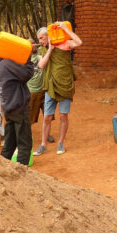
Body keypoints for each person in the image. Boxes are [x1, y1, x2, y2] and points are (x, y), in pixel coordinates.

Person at [33, 23, 82, 156]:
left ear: (49, 37)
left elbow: (79, 42)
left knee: (63, 115)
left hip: (65, 85)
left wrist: (65, 29)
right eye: (39, 39)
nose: (40, 41)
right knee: (47, 117)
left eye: (41, 38)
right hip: (50, 86)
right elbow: (42, 65)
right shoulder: (42, 50)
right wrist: (50, 49)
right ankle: (43, 144)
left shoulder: (65, 44)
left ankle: (61, 143)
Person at [0, 55, 34, 166]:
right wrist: (27, 58)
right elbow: (27, 74)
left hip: (7, 106)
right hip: (18, 106)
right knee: (24, 143)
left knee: (10, 141)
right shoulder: (9, 63)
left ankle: (2, 168)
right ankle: (22, 172)